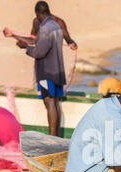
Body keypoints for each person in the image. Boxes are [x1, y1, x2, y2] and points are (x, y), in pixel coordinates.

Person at [10, 1, 77, 137]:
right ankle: (55, 137)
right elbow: (35, 41)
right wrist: (13, 35)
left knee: (49, 102)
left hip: (46, 72)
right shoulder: (56, 25)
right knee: (55, 102)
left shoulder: (45, 28)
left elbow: (39, 52)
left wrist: (26, 48)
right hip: (58, 71)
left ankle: (52, 138)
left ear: (37, 14)